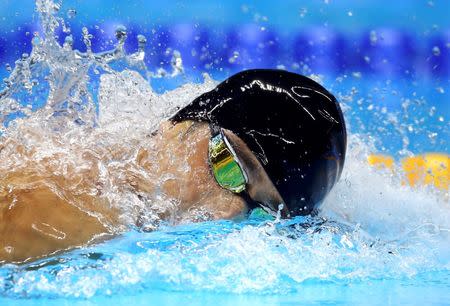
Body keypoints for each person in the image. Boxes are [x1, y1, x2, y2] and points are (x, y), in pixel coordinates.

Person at [0, 69, 346, 263]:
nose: (225, 213)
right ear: (182, 123)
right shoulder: (66, 205)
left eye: (259, 210)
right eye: (228, 166)